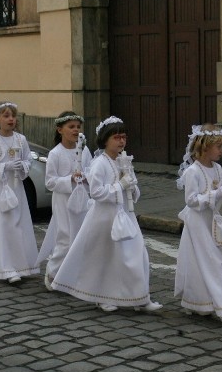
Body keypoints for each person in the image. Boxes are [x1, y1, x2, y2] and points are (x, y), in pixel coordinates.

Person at [51, 116, 162, 313]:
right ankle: (102, 295)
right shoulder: (99, 164)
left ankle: (140, 297)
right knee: (106, 258)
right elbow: (97, 193)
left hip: (125, 215)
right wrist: (121, 185)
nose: (121, 141)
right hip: (105, 218)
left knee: (137, 254)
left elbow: (132, 191)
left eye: (124, 137)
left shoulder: (123, 161)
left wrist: (132, 186)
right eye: (117, 137)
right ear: (105, 140)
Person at [173, 124, 222, 324]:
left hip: (210, 221)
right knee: (213, 261)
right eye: (218, 146)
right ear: (204, 147)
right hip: (197, 222)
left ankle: (196, 302)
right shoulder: (192, 172)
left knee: (197, 261)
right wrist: (215, 194)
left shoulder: (218, 168)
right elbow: (191, 200)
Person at [0, 101, 40, 283]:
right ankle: (5, 268)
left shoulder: (21, 140)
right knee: (3, 227)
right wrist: (5, 166)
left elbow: (29, 159)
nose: (11, 119)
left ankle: (21, 265)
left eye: (13, 115)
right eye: (6, 115)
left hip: (17, 188)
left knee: (18, 226)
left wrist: (23, 166)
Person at [38, 111, 92, 290]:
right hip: (63, 200)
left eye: (78, 127)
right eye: (71, 127)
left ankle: (74, 276)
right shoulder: (56, 153)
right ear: (60, 130)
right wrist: (69, 178)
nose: (75, 130)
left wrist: (86, 177)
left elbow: (91, 171)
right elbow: (50, 181)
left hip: (81, 198)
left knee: (80, 237)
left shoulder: (84, 150)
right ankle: (53, 272)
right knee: (65, 237)